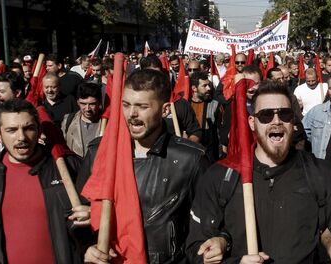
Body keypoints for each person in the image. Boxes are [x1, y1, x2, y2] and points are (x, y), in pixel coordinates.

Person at [186, 79, 331, 264]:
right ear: (252, 122)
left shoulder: (323, 174)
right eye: (266, 115)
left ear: (293, 120)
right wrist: (225, 253)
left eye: (284, 114)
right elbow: (195, 249)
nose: (276, 121)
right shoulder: (220, 176)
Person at [79, 69, 208, 263]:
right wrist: (86, 247)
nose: (132, 114)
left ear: (165, 110)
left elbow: (206, 225)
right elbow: (76, 216)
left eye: (142, 106)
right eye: (126, 105)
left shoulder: (190, 159)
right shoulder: (100, 151)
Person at [0, 99, 88, 264]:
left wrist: (93, 214)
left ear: (39, 129)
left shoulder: (70, 168)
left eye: (29, 128)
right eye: (12, 130)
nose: (21, 137)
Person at [188, 71, 222, 162]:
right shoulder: (185, 106)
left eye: (209, 85)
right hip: (189, 156)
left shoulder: (216, 105)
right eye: (204, 86)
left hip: (210, 157)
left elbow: (221, 132)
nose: (208, 88)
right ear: (194, 88)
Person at [61, 82, 102, 157]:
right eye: (83, 104)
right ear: (78, 103)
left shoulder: (107, 124)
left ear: (99, 103)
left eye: (92, 104)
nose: (87, 109)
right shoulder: (68, 120)